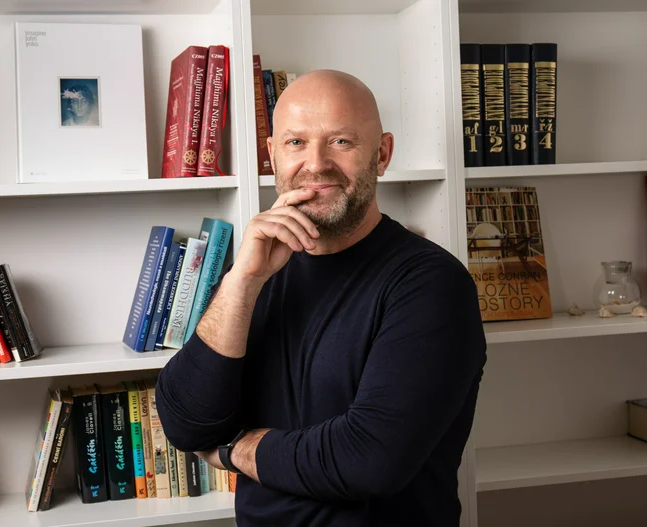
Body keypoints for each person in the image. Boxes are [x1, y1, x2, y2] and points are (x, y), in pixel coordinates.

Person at [156, 70, 487, 527]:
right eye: (295, 142)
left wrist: (234, 450)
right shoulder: (254, 272)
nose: (316, 164)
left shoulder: (431, 284)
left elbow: (368, 460)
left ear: (382, 154)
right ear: (272, 154)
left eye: (340, 142)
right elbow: (186, 425)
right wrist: (242, 282)